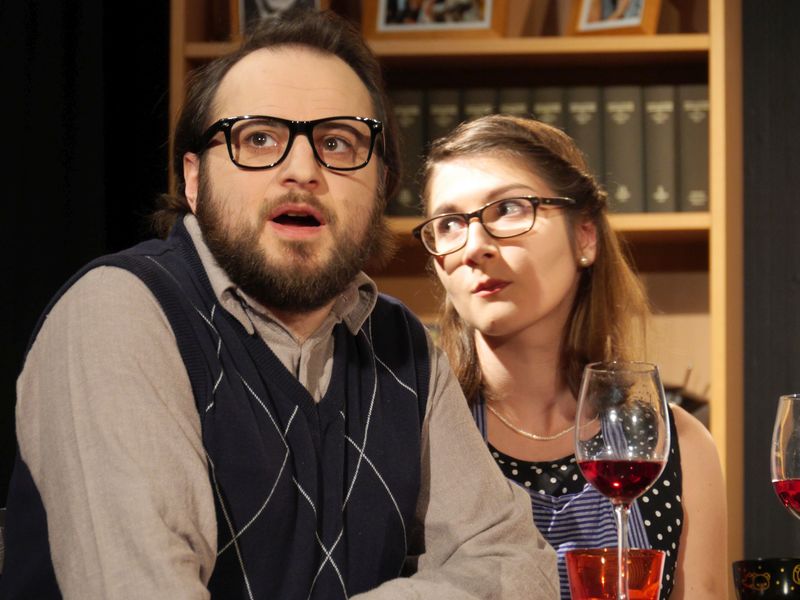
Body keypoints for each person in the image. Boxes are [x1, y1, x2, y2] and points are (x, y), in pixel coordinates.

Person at [0, 11, 559, 600]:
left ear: (381, 184)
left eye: (337, 143)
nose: (302, 171)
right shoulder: (119, 315)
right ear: (194, 180)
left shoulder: (405, 347)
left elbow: (515, 567)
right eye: (259, 139)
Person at [413, 114, 728, 599]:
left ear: (585, 237)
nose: (474, 246)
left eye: (509, 208)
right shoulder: (412, 437)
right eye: (450, 223)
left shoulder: (677, 445)